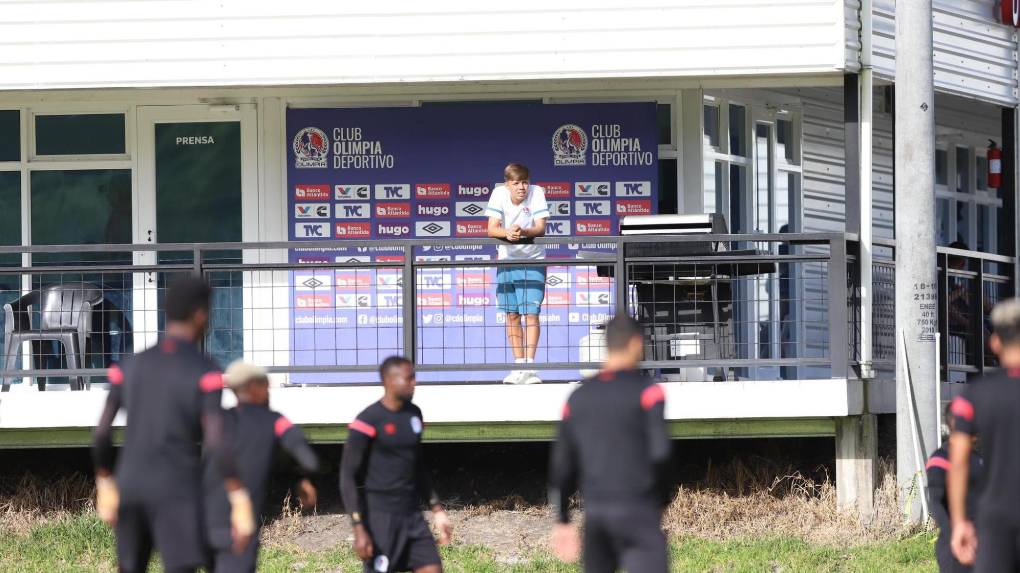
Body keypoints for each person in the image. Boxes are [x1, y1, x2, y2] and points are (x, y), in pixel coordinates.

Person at [92, 277, 254, 573]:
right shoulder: (205, 370)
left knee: (129, 566)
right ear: (200, 314)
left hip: (131, 484)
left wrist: (105, 480)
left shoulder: (130, 364)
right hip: (177, 488)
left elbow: (102, 432)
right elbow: (216, 441)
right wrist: (238, 494)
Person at [549, 314, 672, 573]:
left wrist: (563, 519)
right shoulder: (648, 392)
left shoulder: (578, 397)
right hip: (638, 508)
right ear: (636, 344)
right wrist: (661, 500)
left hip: (597, 514)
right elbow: (661, 454)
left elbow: (562, 465)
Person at [339, 355, 453, 573]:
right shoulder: (367, 421)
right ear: (389, 381)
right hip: (381, 520)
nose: (414, 382)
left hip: (412, 516)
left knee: (433, 569)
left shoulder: (414, 415)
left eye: (414, 377)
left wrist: (437, 510)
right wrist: (358, 527)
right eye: (408, 378)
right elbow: (347, 477)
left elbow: (417, 466)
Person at [203, 360, 321, 573]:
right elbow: (309, 460)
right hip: (242, 523)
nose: (269, 391)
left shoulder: (219, 420)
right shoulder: (274, 421)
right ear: (254, 386)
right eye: (265, 384)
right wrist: (302, 479)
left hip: (206, 521)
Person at [948, 298, 1020, 570]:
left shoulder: (975, 395)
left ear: (995, 343)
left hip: (995, 517)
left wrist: (959, 522)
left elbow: (958, 461)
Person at [486, 162, 549, 385]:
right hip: (506, 260)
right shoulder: (498, 194)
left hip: (533, 260)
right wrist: (507, 233)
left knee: (531, 314)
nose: (522, 187)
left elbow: (541, 228)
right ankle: (518, 366)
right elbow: (492, 228)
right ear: (507, 185)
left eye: (525, 182)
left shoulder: (537, 192)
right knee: (511, 314)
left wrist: (523, 232)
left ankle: (530, 368)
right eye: (516, 183)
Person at [928, 403, 982, 573]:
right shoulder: (941, 459)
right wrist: (955, 535)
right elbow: (937, 503)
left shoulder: (979, 458)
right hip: (957, 547)